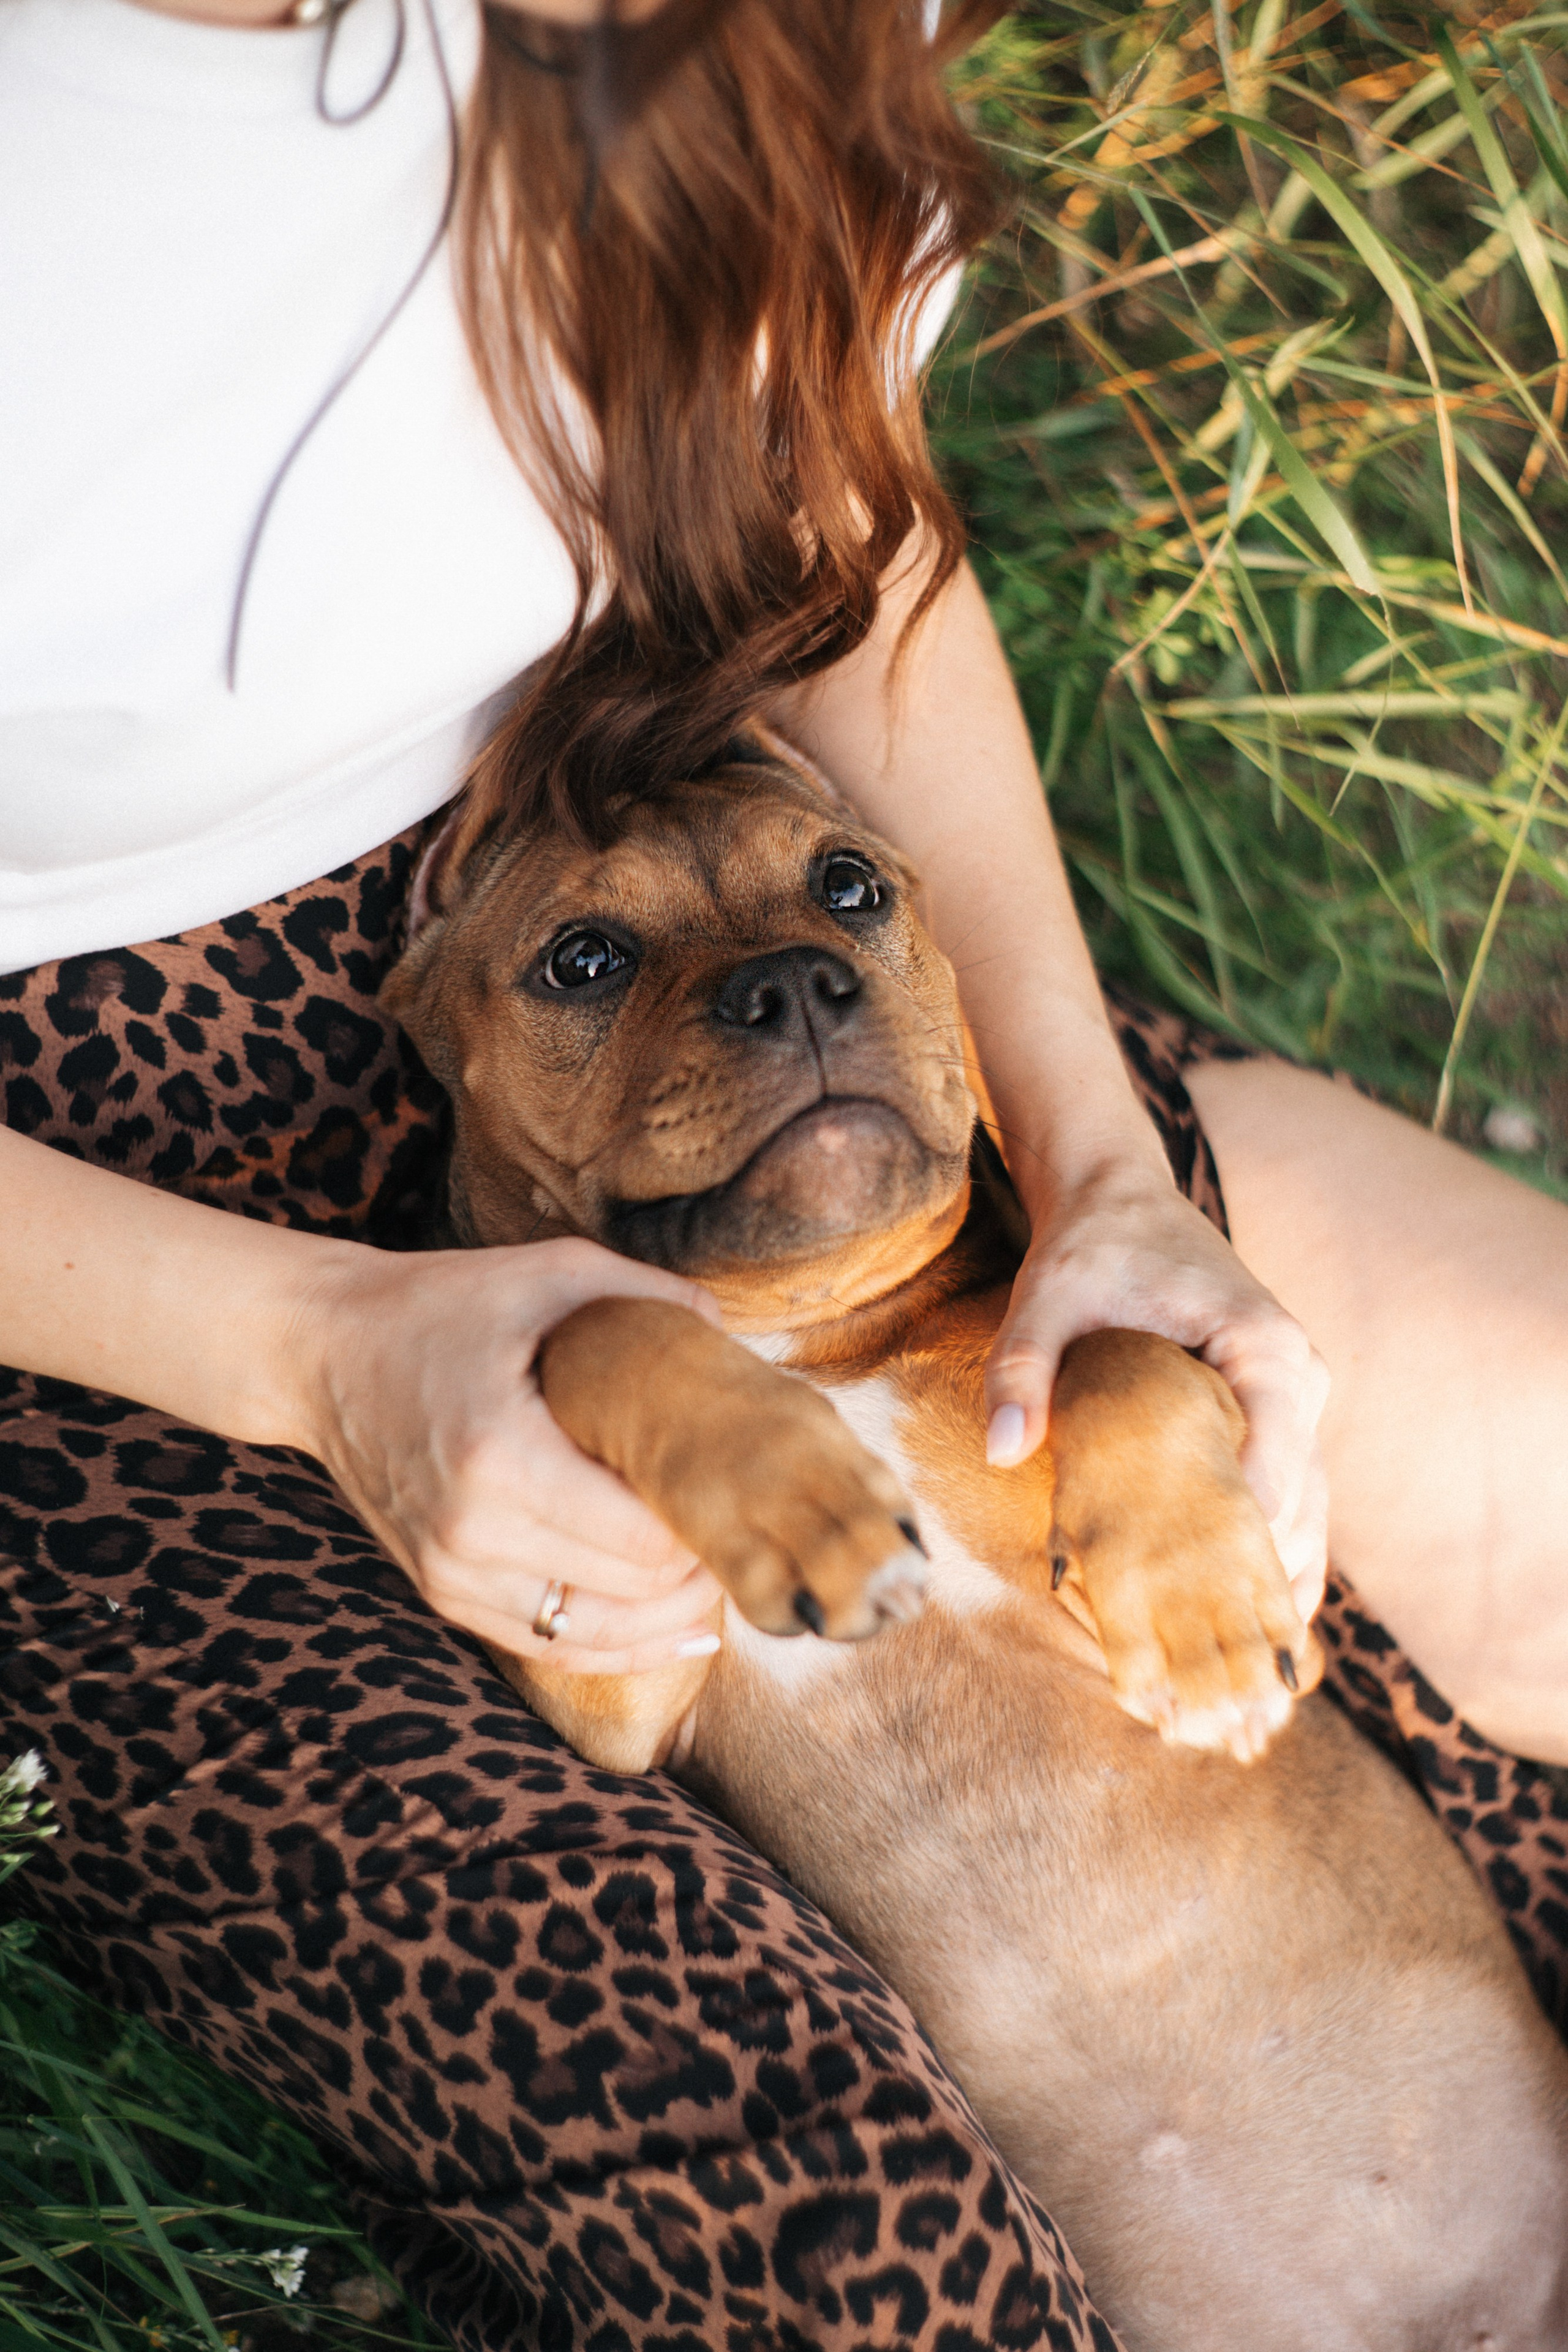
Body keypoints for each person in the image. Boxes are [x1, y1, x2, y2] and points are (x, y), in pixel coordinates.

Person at [0, 0, 1563, 2343]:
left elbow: (834, 522)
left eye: (837, 945)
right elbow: (617, 1692)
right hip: (105, 1186)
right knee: (843, 2269)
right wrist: (334, 1348)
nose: (790, 987)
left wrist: (1097, 1164)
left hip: (694, 824)